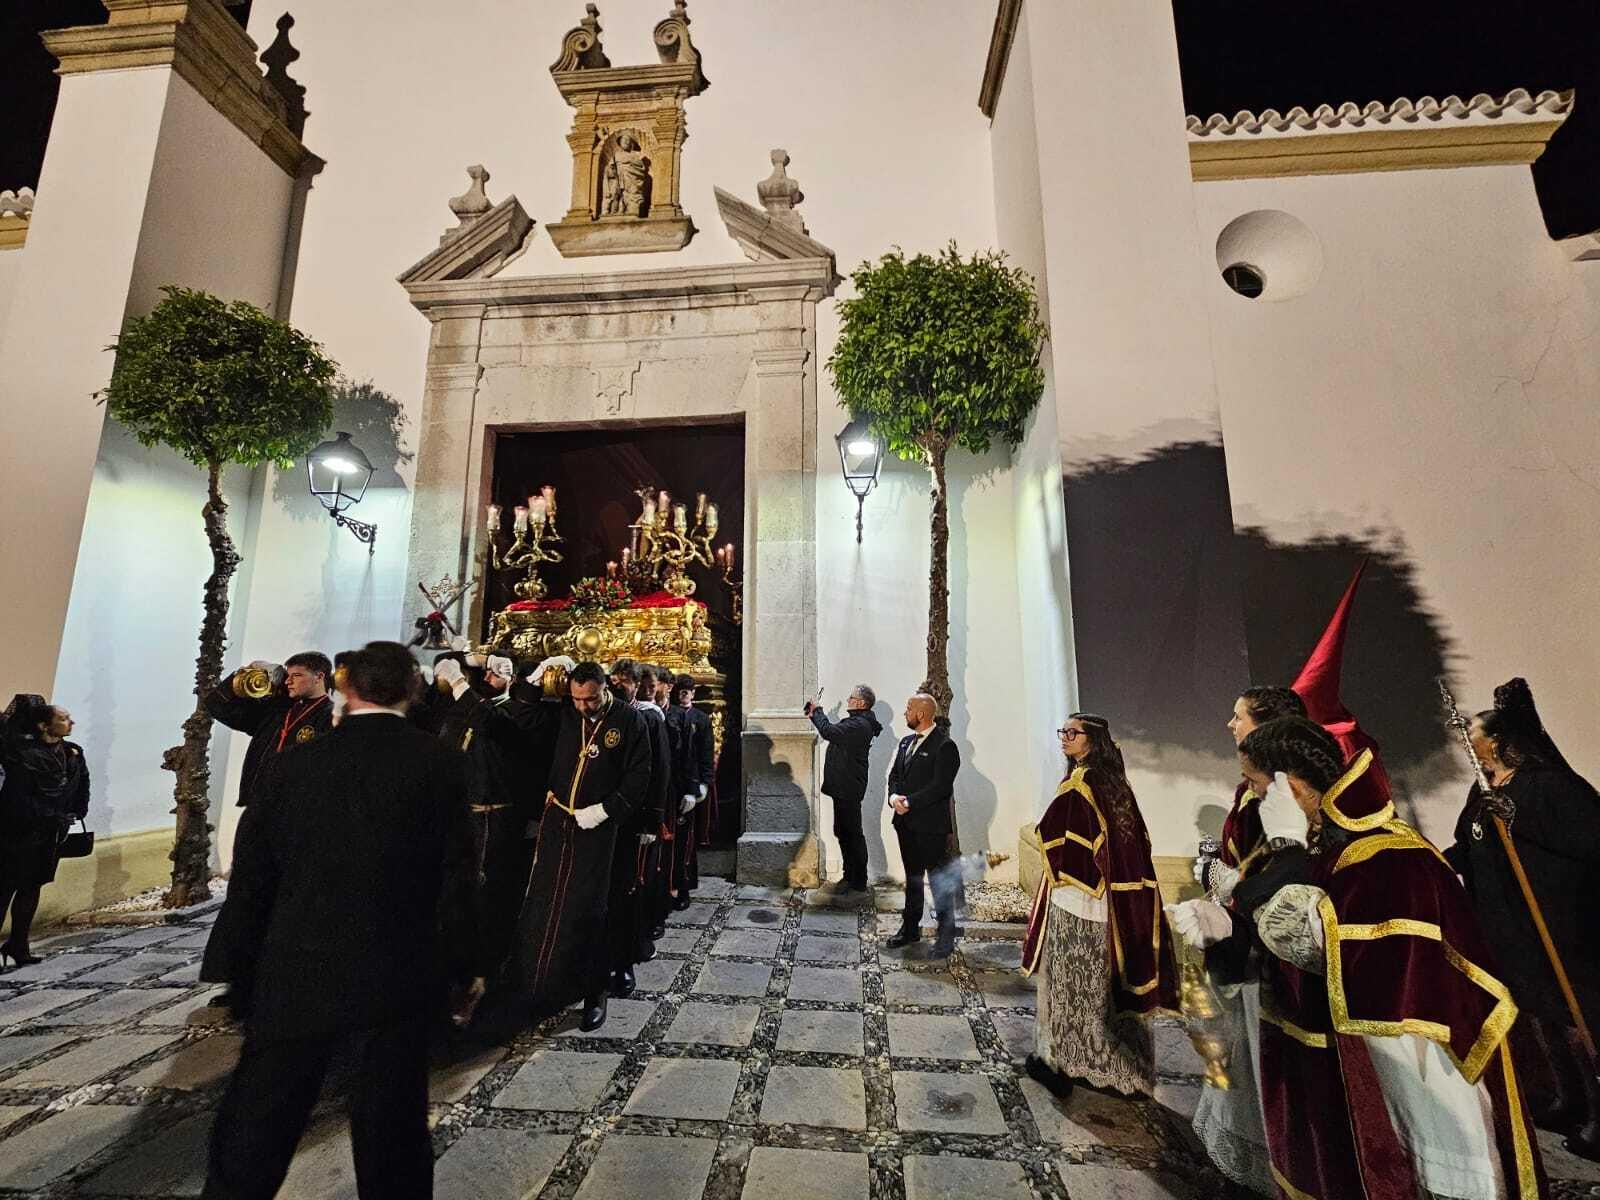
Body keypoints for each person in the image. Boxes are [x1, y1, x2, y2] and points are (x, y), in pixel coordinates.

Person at [1177, 717, 1545, 1200]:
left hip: (1415, 1055)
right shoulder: (1324, 836)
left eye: (1257, 784)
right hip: (1349, 1048)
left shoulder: (1386, 855)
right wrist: (1229, 931)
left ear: (1291, 787)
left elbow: (1321, 942)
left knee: (1420, 1168)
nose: (1255, 797)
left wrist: (1281, 858)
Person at [201, 641, 479, 1200]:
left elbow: (253, 880)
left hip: (295, 967)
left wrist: (239, 969)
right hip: (394, 973)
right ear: (413, 690)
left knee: (258, 1126)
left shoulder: (293, 764)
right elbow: (456, 876)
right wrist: (465, 967)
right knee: (392, 1132)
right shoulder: (440, 763)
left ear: (345, 688)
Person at [1446, 677, 1600, 1160]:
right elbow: (1470, 846)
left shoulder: (1549, 784)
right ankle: (1567, 1098)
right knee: (1541, 1015)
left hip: (1557, 927)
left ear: (1497, 741)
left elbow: (1587, 840)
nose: (1466, 739)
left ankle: (1598, 1111)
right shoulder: (1482, 792)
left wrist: (1516, 817)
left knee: (1573, 1017)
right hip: (1512, 930)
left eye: (1473, 732)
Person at [1188, 683, 1306, 1195]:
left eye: (1238, 716)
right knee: (1236, 1043)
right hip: (1242, 925)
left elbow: (1284, 870)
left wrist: (1225, 883)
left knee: (1261, 1050)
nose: (1230, 724)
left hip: (1267, 939)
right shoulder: (1253, 786)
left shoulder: (1285, 796)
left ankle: (1267, 1156)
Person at [1021, 713, 1177, 1098]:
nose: (1064, 738)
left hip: (1076, 901)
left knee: (1069, 987)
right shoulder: (1114, 781)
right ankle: (1123, 1068)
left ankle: (1062, 1063)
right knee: (1105, 990)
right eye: (1063, 731)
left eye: (1072, 733)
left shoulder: (1081, 783)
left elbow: (1053, 837)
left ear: (1092, 740)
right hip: (1113, 903)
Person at [506, 660, 650, 1032]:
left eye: (591, 699)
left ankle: (594, 993)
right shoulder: (565, 714)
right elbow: (522, 716)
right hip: (560, 823)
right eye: (577, 699)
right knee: (549, 906)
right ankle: (545, 989)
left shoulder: (630, 721)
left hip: (601, 831)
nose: (584, 706)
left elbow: (638, 779)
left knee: (592, 913)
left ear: (605, 688)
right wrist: (535, 678)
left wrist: (604, 811)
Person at [201, 651, 335, 1014]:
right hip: (258, 813)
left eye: (297, 675)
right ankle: (239, 980)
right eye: (287, 675)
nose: (288, 681)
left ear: (320, 676)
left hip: (299, 819)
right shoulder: (275, 711)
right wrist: (243, 674)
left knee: (288, 900)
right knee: (245, 896)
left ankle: (287, 980)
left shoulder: (330, 716)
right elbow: (218, 705)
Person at [433, 653, 544, 996]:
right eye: (486, 672)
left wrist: (458, 682)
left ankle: (491, 972)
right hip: (463, 815)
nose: (487, 678)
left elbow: (492, 722)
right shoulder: (466, 708)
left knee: (493, 898)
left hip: (499, 819)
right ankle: (458, 969)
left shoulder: (518, 712)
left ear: (511, 677)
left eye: (497, 673)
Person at [0, 695, 90, 968]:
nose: (71, 722)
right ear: (43, 725)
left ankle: (19, 945)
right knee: (5, 889)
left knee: (31, 888)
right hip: (19, 833)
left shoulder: (72, 752)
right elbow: (17, 797)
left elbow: (82, 784)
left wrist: (76, 811)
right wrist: (48, 815)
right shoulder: (22, 756)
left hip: (50, 834)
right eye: (63, 718)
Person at [607, 658, 670, 988]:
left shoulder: (649, 718)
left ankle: (631, 950)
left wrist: (652, 821)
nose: (619, 686)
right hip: (605, 815)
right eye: (614, 680)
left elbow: (660, 771)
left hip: (635, 818)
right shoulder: (604, 715)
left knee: (631, 886)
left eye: (625, 681)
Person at [885, 693, 962, 957]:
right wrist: (893, 798)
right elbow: (895, 775)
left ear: (922, 713)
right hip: (905, 823)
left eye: (909, 708)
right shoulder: (906, 742)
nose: (905, 712)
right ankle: (910, 928)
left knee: (938, 881)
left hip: (930, 826)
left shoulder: (945, 746)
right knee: (913, 878)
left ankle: (946, 936)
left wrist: (910, 802)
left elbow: (941, 787)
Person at [807, 684, 882, 895]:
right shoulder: (857, 722)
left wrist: (818, 711)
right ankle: (849, 876)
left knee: (852, 834)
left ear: (861, 703)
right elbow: (833, 732)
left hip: (849, 786)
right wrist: (816, 714)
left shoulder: (859, 725)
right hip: (844, 785)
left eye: (851, 697)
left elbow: (830, 732)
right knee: (843, 831)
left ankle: (858, 882)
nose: (848, 700)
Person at [664, 673, 713, 911]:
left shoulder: (701, 719)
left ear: (693, 693)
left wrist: (703, 784)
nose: (684, 694)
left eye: (688, 691)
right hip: (671, 785)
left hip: (690, 785)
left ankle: (683, 888)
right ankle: (666, 887)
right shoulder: (668, 715)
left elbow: (706, 754)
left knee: (685, 841)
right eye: (681, 690)